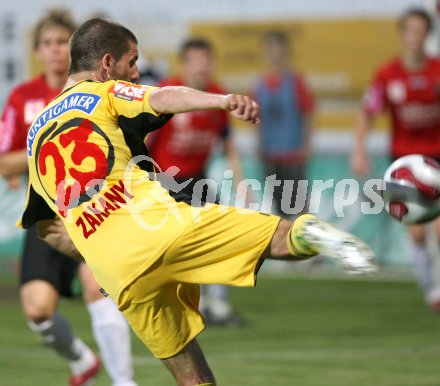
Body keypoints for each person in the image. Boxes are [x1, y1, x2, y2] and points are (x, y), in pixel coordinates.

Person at [19, 18, 376, 386]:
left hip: (120, 274)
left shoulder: (35, 136)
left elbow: (48, 228)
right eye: (132, 61)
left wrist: (96, 257)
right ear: (107, 64)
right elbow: (160, 97)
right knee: (283, 238)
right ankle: (319, 234)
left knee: (194, 380)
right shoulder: (103, 93)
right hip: (161, 228)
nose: (137, 71)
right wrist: (221, 100)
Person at [0, 10, 137, 386]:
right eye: (47, 43)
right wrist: (44, 154)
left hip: (93, 211)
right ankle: (80, 359)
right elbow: (5, 163)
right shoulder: (23, 98)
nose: (55, 50)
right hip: (47, 216)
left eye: (62, 41)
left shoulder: (96, 90)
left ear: (76, 48)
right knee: (38, 311)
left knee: (98, 287)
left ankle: (125, 382)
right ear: (36, 51)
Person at [148, 37, 244, 326]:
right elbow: (143, 139)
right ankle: (175, 306)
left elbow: (227, 140)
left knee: (223, 236)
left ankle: (218, 305)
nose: (204, 66)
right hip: (162, 181)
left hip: (197, 181)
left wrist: (241, 181)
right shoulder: (164, 93)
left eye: (208, 59)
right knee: (165, 250)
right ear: (184, 64)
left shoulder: (218, 95)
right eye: (197, 60)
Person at [351, 7, 440, 311]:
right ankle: (431, 290)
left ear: (428, 35)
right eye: (410, 31)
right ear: (402, 34)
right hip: (403, 162)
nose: (416, 38)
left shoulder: (437, 70)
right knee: (416, 233)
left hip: (436, 158)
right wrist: (359, 150)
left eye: (421, 31)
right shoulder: (387, 75)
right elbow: (368, 113)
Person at [253, 30, 314, 216]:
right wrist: (258, 145)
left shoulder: (296, 82)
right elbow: (254, 118)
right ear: (264, 52)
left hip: (293, 156)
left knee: (300, 211)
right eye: (269, 49)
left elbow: (309, 113)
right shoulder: (259, 85)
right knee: (279, 211)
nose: (274, 53)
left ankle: (302, 244)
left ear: (286, 51)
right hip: (270, 157)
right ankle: (285, 245)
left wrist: (307, 145)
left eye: (278, 48)